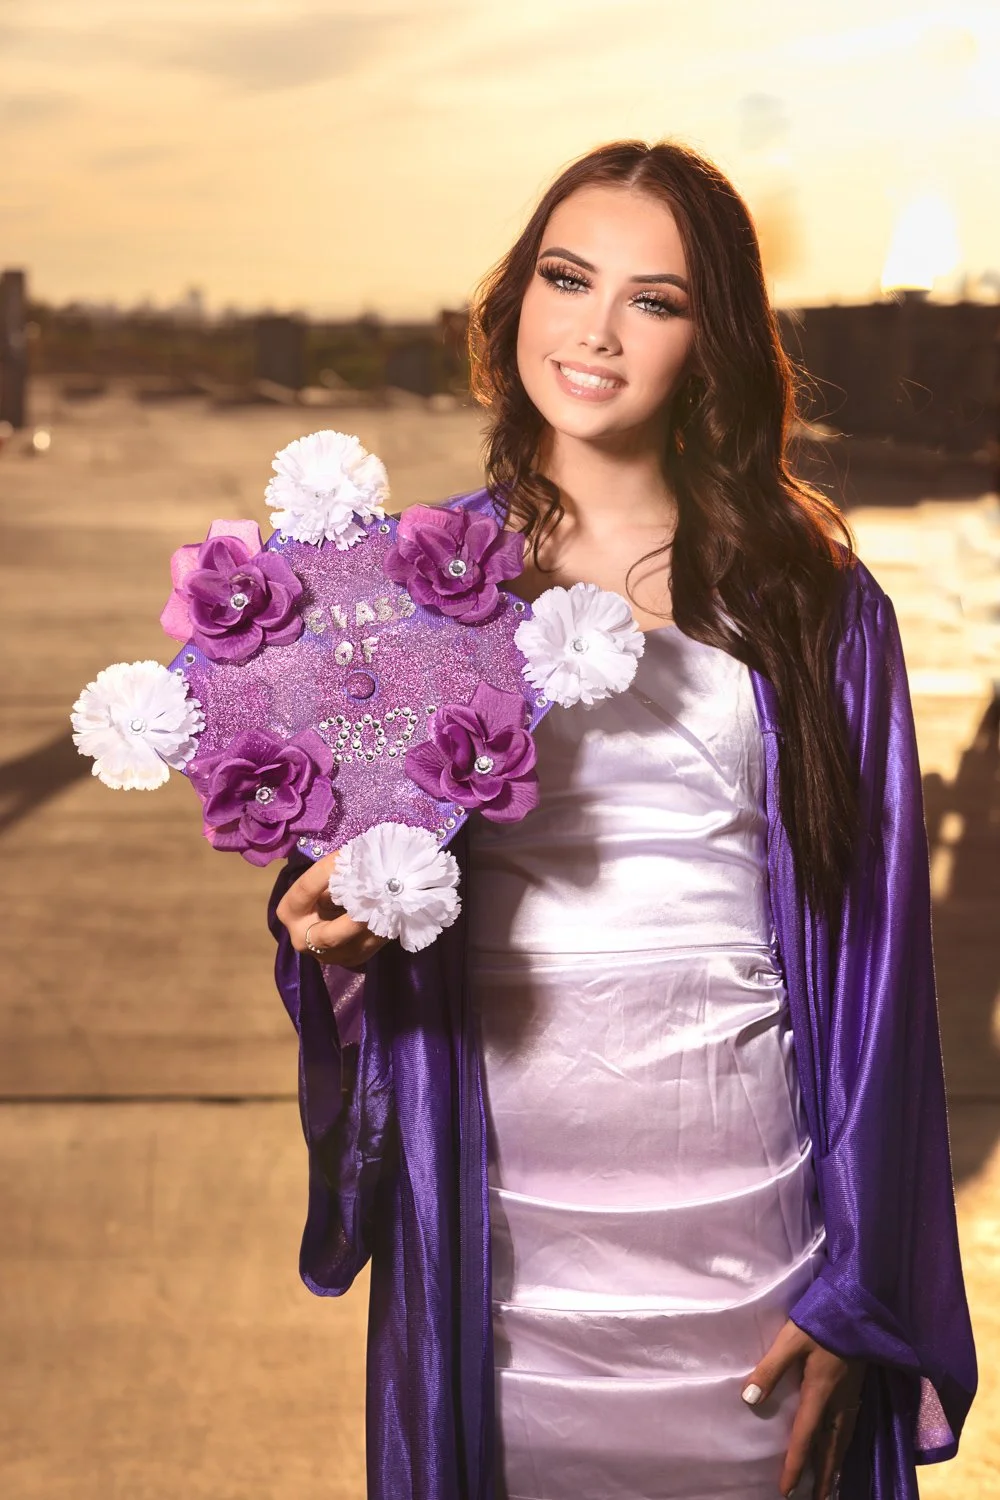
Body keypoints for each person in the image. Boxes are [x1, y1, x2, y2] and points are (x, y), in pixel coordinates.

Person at [271, 140, 977, 1500]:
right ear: (514, 299)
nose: (595, 330)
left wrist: (862, 1285)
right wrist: (332, 935)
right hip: (505, 1245)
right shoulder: (416, 592)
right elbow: (359, 891)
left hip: (749, 1226)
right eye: (566, 276)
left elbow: (886, 974)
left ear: (711, 342)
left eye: (654, 300)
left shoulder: (812, 600)